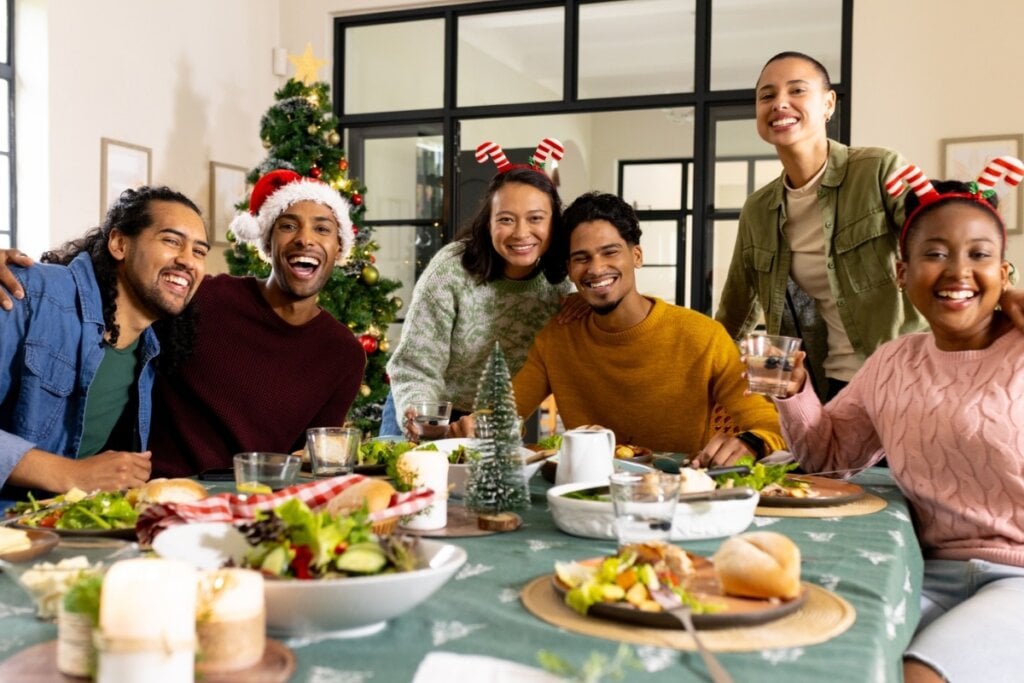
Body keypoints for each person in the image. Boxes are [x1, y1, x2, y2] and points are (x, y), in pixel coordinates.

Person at [773, 160, 1024, 682]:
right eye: (935, 254)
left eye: (979, 255)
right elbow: (828, 457)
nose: (957, 272)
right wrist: (795, 389)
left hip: (1018, 579)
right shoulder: (893, 362)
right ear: (902, 272)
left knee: (919, 674)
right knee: (826, 653)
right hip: (922, 568)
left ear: (1004, 273)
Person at [714, 51, 1024, 401]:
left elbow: (944, 242)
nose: (780, 103)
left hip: (910, 380)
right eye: (767, 96)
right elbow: (736, 310)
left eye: (797, 91)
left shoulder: (876, 168)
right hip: (825, 386)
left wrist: (1006, 291)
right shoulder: (759, 209)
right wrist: (707, 367)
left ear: (828, 104)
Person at [504, 191, 786, 465]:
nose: (596, 268)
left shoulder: (703, 336)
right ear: (570, 269)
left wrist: (752, 442)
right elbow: (504, 415)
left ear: (636, 256)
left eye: (610, 252)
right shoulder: (557, 338)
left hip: (683, 492)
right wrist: (473, 427)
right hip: (593, 494)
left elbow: (767, 423)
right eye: (582, 258)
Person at [144, 169, 367, 477]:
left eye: (322, 229)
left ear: (339, 248)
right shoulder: (204, 297)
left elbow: (309, 460)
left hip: (254, 501)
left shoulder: (343, 354)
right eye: (288, 226)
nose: (305, 239)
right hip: (162, 489)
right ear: (267, 241)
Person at [0, 186, 208, 501]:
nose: (188, 261)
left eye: (199, 251)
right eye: (171, 241)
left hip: (57, 525)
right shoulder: (30, 291)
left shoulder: (150, 351)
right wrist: (71, 474)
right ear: (119, 244)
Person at [382, 139, 576, 437]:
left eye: (535, 218)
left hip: (494, 422)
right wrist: (428, 424)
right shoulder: (451, 269)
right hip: (426, 409)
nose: (521, 233)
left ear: (554, 222)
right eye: (506, 220)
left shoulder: (561, 284)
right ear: (488, 223)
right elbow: (417, 364)